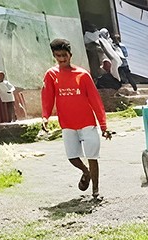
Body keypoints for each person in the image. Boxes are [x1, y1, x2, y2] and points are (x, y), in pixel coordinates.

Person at [42, 38, 112, 200]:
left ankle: (95, 190)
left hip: (87, 123)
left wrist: (103, 126)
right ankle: (85, 172)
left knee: (92, 157)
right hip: (67, 124)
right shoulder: (51, 75)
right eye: (58, 56)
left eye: (64, 55)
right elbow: (47, 97)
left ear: (70, 55)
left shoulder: (82, 75)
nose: (62, 59)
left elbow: (95, 100)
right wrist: (45, 117)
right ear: (54, 56)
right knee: (72, 157)